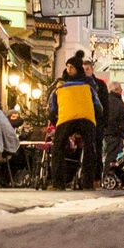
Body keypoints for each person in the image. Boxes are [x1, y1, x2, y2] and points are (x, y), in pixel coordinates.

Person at [47, 54, 104, 187]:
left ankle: (58, 183)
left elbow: (52, 108)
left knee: (58, 148)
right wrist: (96, 121)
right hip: (86, 118)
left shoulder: (59, 87)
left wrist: (56, 123)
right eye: (67, 67)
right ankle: (87, 182)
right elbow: (98, 106)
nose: (68, 69)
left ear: (77, 68)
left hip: (66, 118)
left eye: (71, 67)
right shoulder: (89, 86)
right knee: (90, 148)